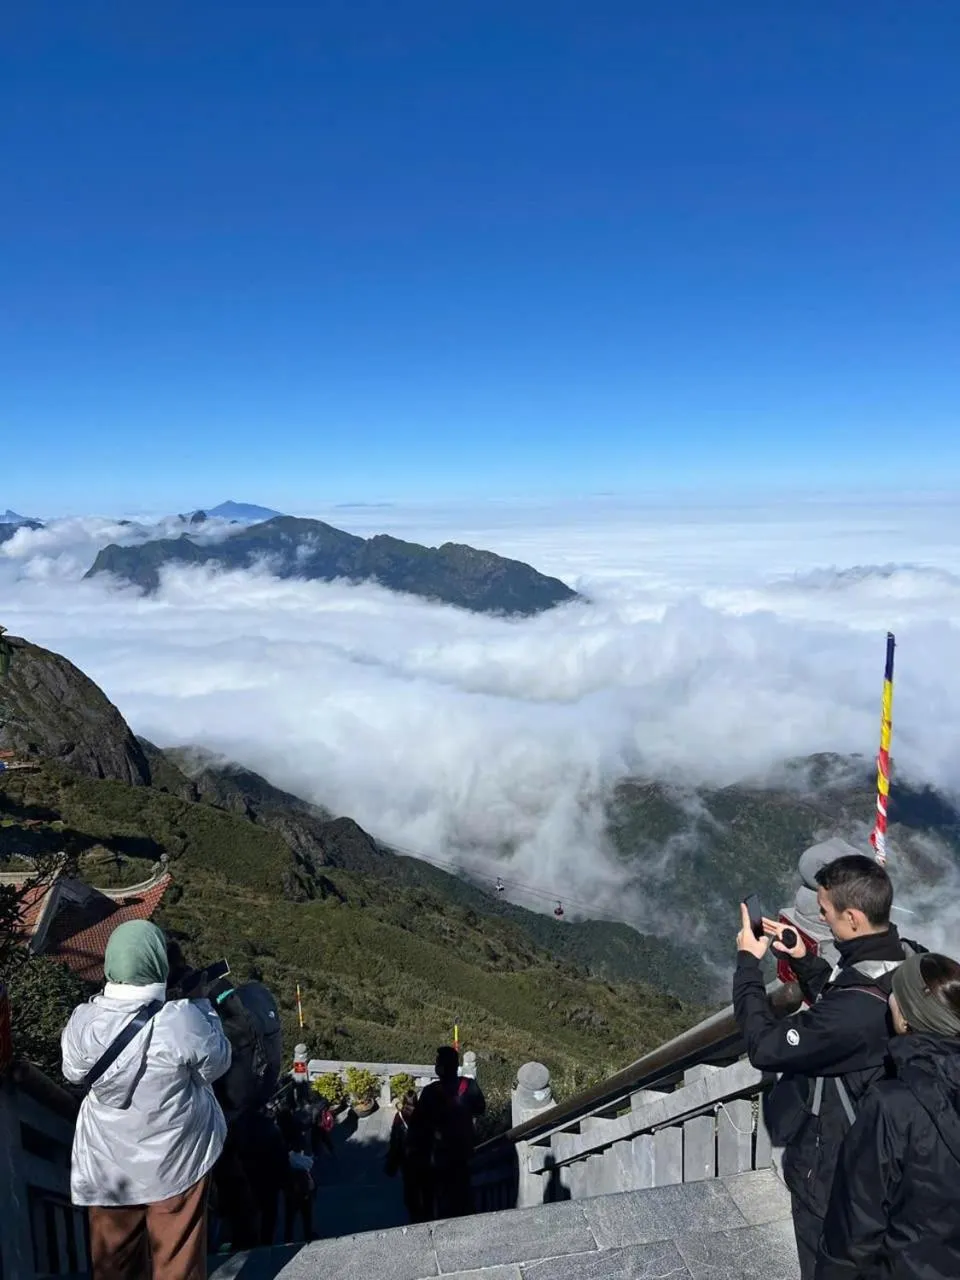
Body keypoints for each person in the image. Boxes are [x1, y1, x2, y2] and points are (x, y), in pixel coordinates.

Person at [732, 855, 920, 1280]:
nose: (821, 917)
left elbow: (766, 1047)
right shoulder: (907, 960)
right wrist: (803, 958)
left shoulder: (852, 1011)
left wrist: (748, 965)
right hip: (889, 1155)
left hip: (836, 1169)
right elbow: (849, 1003)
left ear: (852, 918)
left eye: (826, 911)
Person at [61, 920, 232, 1280]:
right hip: (176, 1160)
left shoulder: (83, 1022)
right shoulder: (181, 1020)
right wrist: (203, 1005)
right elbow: (217, 1063)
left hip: (107, 1166)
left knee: (113, 1266)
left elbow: (73, 1073)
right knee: (177, 1262)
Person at [815, 952, 960, 1279]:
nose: (888, 999)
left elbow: (854, 1230)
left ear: (907, 1020)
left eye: (895, 993)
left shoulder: (892, 1105)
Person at [408, 1046, 486, 1220]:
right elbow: (481, 1109)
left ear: (440, 1068)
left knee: (440, 1195)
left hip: (438, 1154)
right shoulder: (469, 1085)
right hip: (464, 1151)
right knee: (462, 1190)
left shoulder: (430, 1091)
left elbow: (416, 1124)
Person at [385, 1090, 429, 1222]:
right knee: (424, 1183)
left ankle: (413, 1213)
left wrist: (392, 1160)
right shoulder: (425, 1114)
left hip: (407, 1158)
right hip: (423, 1156)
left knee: (409, 1185)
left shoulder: (399, 1116)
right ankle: (426, 1209)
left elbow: (394, 1141)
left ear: (404, 1101)